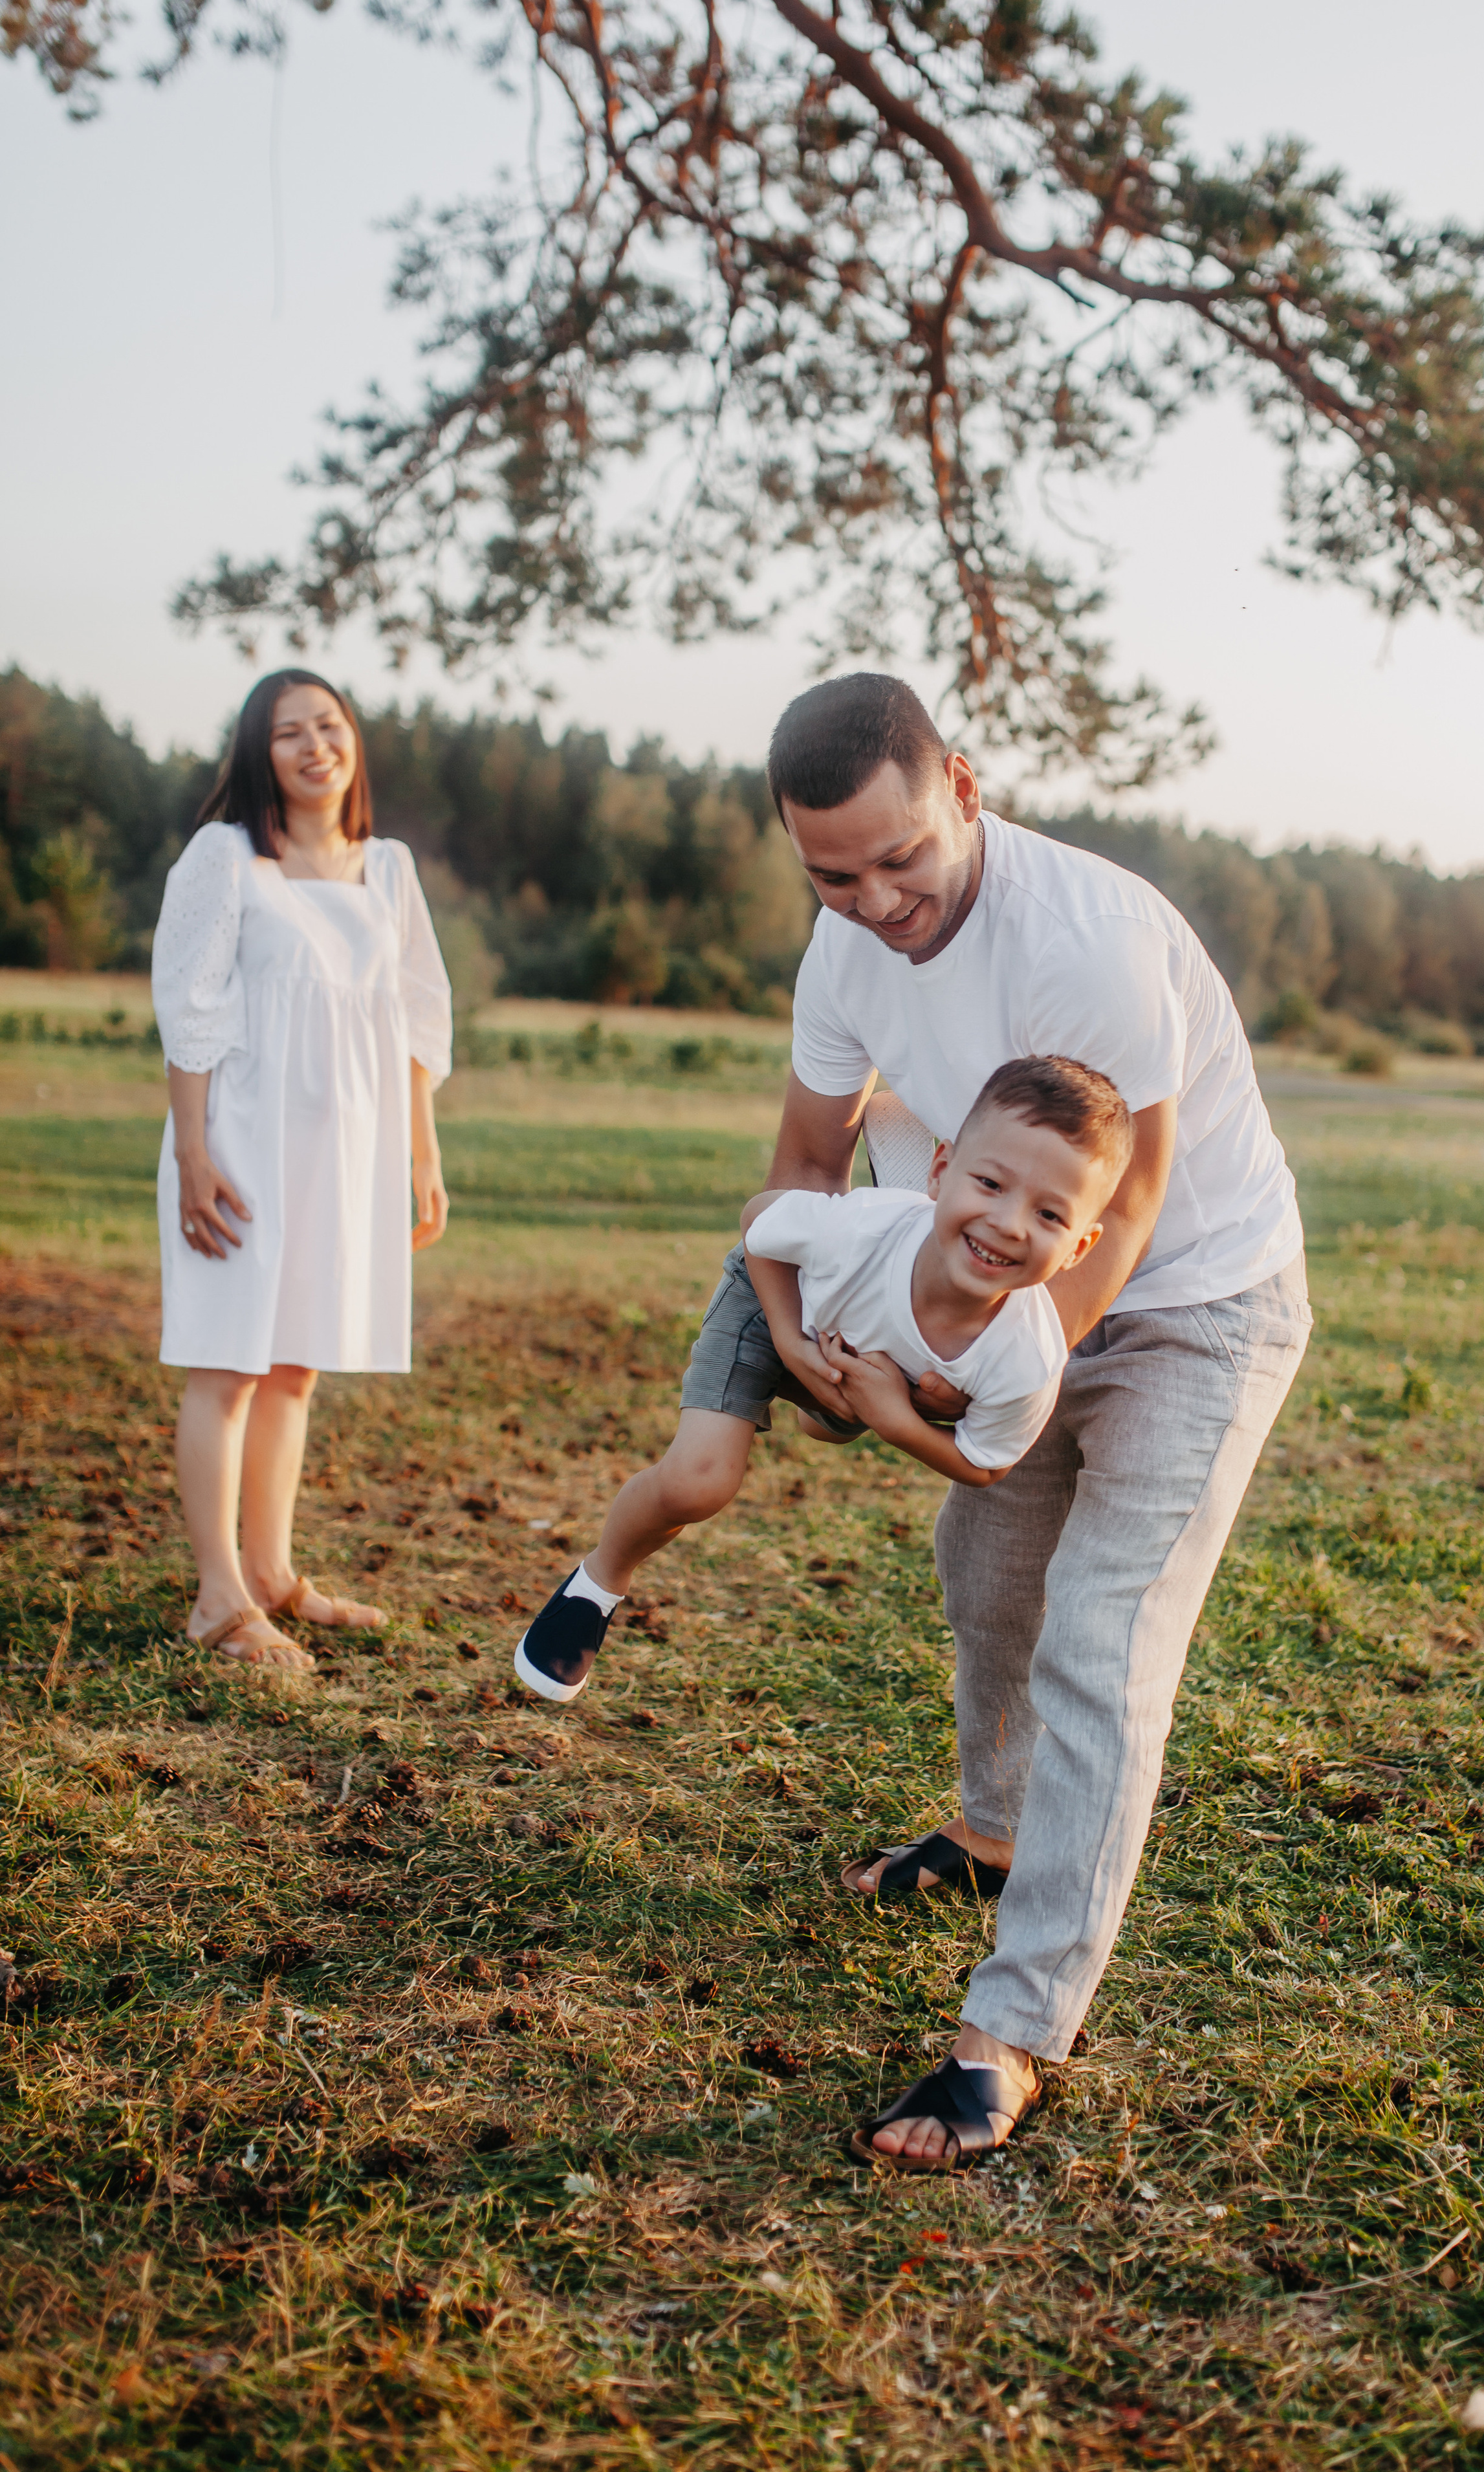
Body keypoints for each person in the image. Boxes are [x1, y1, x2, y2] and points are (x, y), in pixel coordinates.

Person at [757, 673, 1312, 2173]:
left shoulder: (1088, 941)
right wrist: (796, 1339)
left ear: (961, 781)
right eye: (832, 873)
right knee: (983, 1573)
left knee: (1098, 1631)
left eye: (900, 858)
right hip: (1016, 1285)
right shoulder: (844, 953)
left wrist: (982, 1376)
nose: (875, 900)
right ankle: (991, 1833)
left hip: (1192, 1301)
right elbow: (805, 1160)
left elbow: (1124, 1205)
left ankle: (1011, 2031)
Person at [512, 1056, 1133, 1705]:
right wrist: (790, 1339)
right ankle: (598, 1582)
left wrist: (896, 1418)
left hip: (865, 1354)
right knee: (701, 1480)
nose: (1009, 1224)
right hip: (778, 1289)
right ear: (946, 1168)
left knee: (829, 1427)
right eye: (990, 1184)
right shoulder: (855, 1229)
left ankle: (905, 1223)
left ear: (1080, 1249)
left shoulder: (1026, 1357)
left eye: (1050, 1216)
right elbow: (759, 1222)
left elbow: (986, 1464)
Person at [150, 668, 453, 1670]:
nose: (316, 744)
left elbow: (413, 1018)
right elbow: (190, 1010)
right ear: (259, 754)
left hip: (345, 1149)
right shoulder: (226, 858)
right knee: (231, 1362)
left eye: (330, 725)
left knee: (295, 1367)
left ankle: (275, 1576)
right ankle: (219, 1599)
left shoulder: (390, 869)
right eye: (290, 733)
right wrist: (194, 1155)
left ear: (352, 741)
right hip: (242, 1140)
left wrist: (421, 1150)